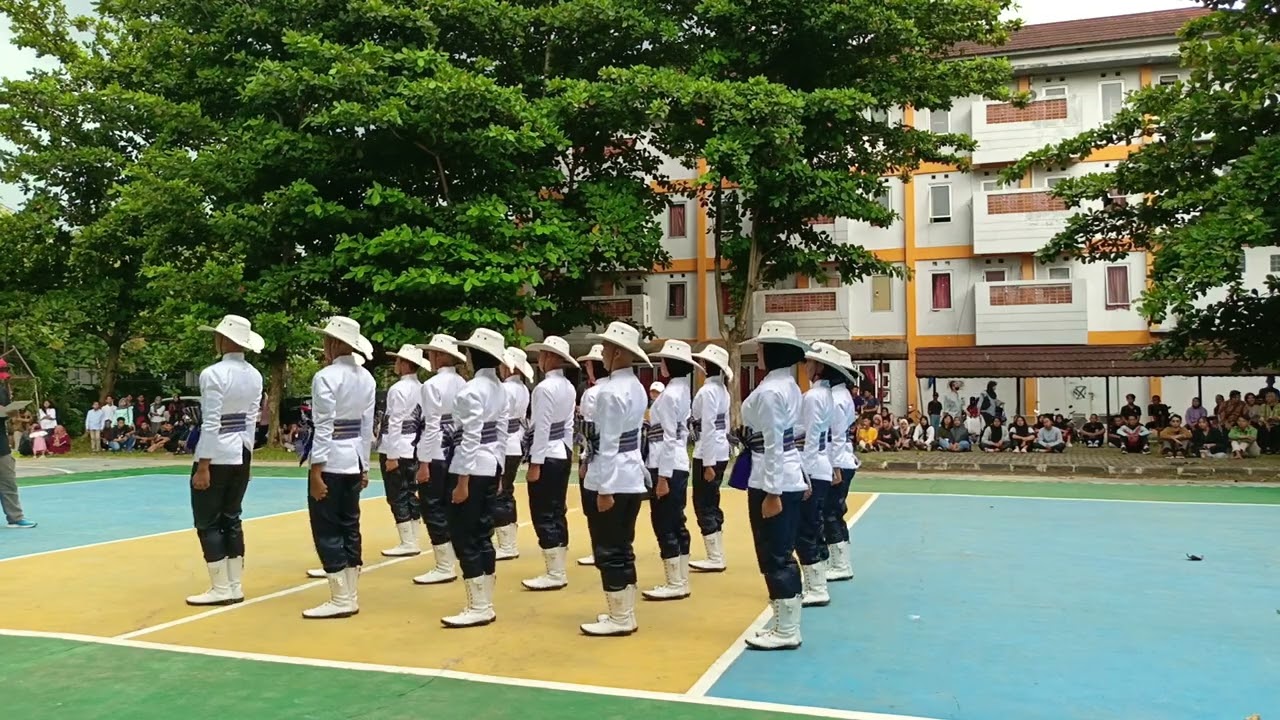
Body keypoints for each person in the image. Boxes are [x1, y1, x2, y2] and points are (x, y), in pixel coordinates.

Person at [737, 320, 810, 650]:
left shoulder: (769, 392)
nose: (759, 352)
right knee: (781, 552)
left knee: (774, 554)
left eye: (762, 347)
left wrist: (772, 492)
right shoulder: (790, 386)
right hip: (786, 474)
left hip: (772, 479)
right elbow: (789, 440)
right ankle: (785, 624)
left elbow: (773, 444)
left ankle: (786, 630)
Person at [185, 315, 265, 607]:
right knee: (232, 518)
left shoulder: (213, 373)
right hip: (241, 452)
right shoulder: (255, 375)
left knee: (208, 521)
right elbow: (251, 422)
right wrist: (249, 459)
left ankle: (221, 587)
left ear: (224, 340)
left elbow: (211, 422)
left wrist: (203, 465)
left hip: (216, 453)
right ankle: (234, 584)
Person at [578, 322, 650, 636]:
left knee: (609, 549)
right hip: (631, 475)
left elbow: (606, 443)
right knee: (623, 546)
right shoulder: (636, 386)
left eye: (606, 348)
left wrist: (603, 489)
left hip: (611, 478)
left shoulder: (609, 391)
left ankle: (621, 617)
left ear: (617, 352)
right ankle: (624, 612)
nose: (603, 353)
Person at [302, 317, 376, 619]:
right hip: (354, 459)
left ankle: (341, 597)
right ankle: (350, 592)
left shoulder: (326, 376)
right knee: (350, 525)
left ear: (333, 343)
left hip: (331, 459)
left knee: (327, 528)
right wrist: (365, 466)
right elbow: (367, 425)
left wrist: (316, 471)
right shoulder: (366, 378)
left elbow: (324, 425)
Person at [439, 328, 509, 628]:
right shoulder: (500, 389)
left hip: (470, 468)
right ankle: (485, 600)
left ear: (471, 356)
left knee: (465, 535)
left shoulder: (471, 391)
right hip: (491, 464)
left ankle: (478, 605)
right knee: (482, 534)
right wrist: (501, 470)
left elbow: (470, 438)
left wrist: (462, 481)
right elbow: (502, 434)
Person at [519, 335, 579, 591]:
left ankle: (555, 572)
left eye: (543, 354)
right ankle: (558, 564)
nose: (540, 359)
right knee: (557, 509)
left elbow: (541, 428)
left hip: (547, 454)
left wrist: (535, 462)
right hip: (562, 452)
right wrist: (567, 450)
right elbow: (568, 426)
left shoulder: (544, 389)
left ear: (552, 358)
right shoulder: (568, 387)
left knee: (543, 511)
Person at [794, 342, 851, 608]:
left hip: (813, 465)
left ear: (819, 368)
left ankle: (816, 587)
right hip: (820, 463)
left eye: (809, 363)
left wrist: (803, 474)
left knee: (809, 526)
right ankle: (817, 580)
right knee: (815, 523)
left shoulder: (816, 397)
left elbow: (814, 438)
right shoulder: (827, 395)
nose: (805, 367)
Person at [409, 334, 469, 586]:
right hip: (457, 448)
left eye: (433, 353)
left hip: (436, 451)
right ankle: (454, 556)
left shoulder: (432, 385)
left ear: (442, 356)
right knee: (453, 505)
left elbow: (431, 426)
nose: (430, 358)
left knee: (432, 506)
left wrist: (423, 463)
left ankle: (444, 564)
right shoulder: (463, 383)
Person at [642, 339, 697, 602]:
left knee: (664, 522)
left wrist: (662, 477)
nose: (660, 364)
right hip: (678, 461)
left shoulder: (669, 395)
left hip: (665, 464)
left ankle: (675, 581)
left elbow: (666, 437)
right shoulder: (683, 390)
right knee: (676, 520)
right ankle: (681, 577)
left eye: (663, 360)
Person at [377, 345, 431, 558]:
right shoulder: (423, 387)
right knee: (411, 492)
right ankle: (413, 536)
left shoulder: (398, 389)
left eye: (399, 361)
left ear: (406, 364)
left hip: (398, 446)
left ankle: (407, 540)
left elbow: (395, 422)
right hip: (414, 446)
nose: (396, 364)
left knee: (396, 494)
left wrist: (391, 455)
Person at [688, 343, 733, 573]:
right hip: (721, 449)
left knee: (703, 502)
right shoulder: (723, 390)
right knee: (711, 501)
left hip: (708, 452)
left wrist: (707, 463)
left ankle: (715, 556)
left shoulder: (707, 391)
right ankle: (717, 553)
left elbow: (706, 425)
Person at [494, 346, 533, 562]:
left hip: (504, 445)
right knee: (506, 491)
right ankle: (508, 540)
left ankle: (507, 544)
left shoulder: (506, 389)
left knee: (500, 492)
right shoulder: (522, 389)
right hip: (515, 443)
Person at [823, 347, 859, 582]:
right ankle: (840, 559)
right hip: (843, 458)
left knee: (830, 513)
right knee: (835, 512)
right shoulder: (843, 396)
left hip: (837, 461)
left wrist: (834, 467)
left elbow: (836, 435)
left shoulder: (836, 399)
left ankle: (840, 564)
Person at [574, 344, 607, 567]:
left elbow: (588, 431)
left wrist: (585, 459)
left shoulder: (591, 394)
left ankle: (598, 549)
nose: (586, 368)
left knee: (592, 505)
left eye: (587, 364)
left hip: (594, 454)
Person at [0, 361, 35, 528]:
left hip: (1, 444)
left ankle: (15, 517)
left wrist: (11, 412)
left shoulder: (3, 391)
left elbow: (9, 416)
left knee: (8, 481)